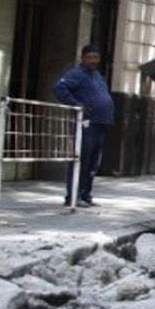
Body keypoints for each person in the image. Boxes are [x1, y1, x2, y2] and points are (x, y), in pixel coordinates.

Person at [53, 44, 114, 208]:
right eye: (90, 57)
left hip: (100, 123)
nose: (93, 60)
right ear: (83, 58)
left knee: (94, 162)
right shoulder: (77, 74)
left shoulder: (98, 76)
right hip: (86, 124)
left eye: (96, 57)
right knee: (81, 160)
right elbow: (59, 88)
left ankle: (86, 195)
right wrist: (77, 105)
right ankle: (73, 196)